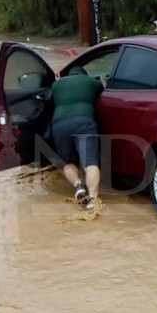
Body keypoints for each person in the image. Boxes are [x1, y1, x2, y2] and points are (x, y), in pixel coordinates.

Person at [49, 66, 105, 210]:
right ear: (83, 74)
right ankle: (92, 200)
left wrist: (59, 81)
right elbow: (104, 87)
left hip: (59, 125)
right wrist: (103, 81)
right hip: (83, 122)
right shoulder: (90, 82)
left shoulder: (57, 85)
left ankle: (78, 185)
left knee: (67, 162)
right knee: (90, 163)